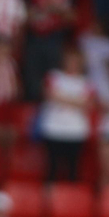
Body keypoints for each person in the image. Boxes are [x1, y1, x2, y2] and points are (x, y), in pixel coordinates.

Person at [41, 47, 94, 182]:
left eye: (76, 60)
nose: (72, 63)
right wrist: (77, 101)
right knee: (52, 167)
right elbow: (49, 95)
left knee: (73, 168)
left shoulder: (86, 82)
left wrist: (62, 98)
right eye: (70, 60)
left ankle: (71, 199)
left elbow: (89, 104)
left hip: (76, 130)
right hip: (54, 128)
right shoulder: (54, 76)